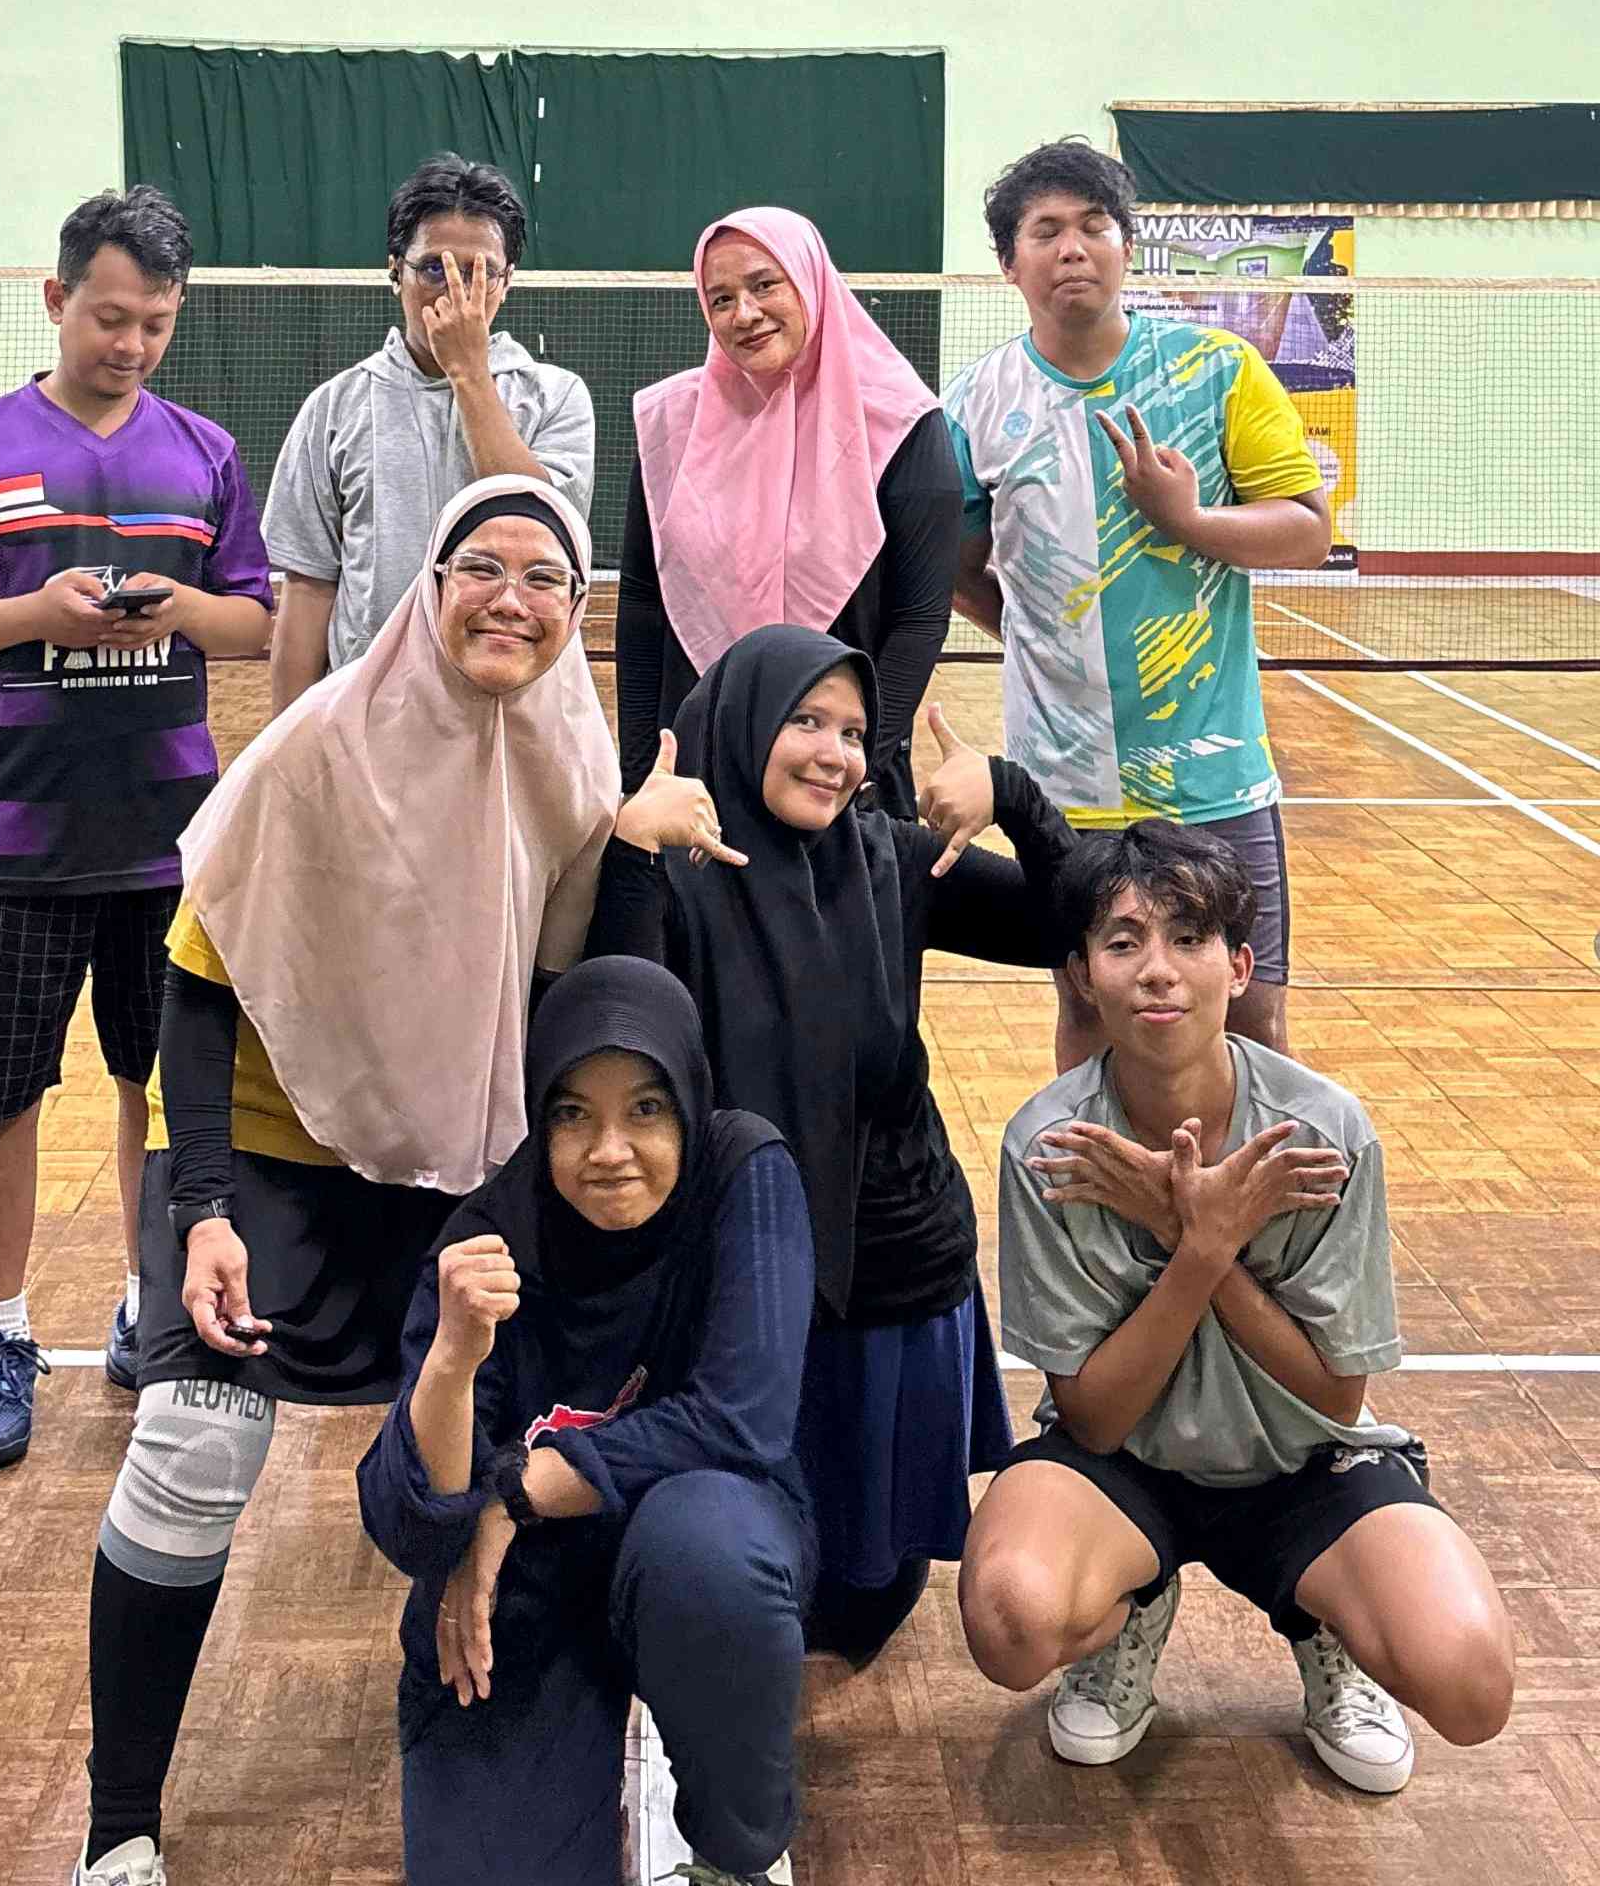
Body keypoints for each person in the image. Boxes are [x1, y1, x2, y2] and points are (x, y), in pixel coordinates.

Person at [71, 475, 622, 1886]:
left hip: (458, 1163)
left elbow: (558, 994)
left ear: (576, 610)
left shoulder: (577, 768)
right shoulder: (315, 749)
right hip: (265, 1153)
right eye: (481, 567)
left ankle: (492, 1729)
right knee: (194, 1449)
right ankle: (118, 1820)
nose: (511, 600)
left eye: (545, 578)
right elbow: (195, 990)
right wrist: (198, 1210)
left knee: (511, 1445)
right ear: (429, 588)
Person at [962, 820, 1514, 1793]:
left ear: (1240, 965)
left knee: (1472, 1685)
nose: (1159, 969)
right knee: (1011, 1621)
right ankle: (1133, 1606)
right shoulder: (1051, 1146)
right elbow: (1094, 1418)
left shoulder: (1322, 1133)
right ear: (1083, 976)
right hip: (1124, 1465)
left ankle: (1325, 1623)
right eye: (1124, 942)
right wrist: (1202, 1248)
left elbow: (1336, 1397)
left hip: (1305, 1464)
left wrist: (1194, 1237)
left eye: (1190, 938)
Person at [0, 186, 275, 1469]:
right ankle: (0, 1332)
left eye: (155, 323)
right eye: (110, 317)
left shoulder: (205, 453)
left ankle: (150, 1303)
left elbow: (253, 622)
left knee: (162, 1094)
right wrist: (33, 613)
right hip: (9, 848)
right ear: (56, 301)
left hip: (168, 847)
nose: (132, 344)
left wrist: (177, 609)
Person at [588, 624, 1077, 1665]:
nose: (834, 754)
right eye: (806, 721)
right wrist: (632, 854)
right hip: (739, 1262)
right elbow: (620, 1035)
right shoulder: (679, 869)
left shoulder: (891, 857)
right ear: (743, 722)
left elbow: (1065, 924)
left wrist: (1014, 795)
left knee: (866, 1596)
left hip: (898, 1262)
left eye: (854, 733)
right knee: (730, 1572)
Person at [359, 956, 815, 1886]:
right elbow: (410, 1525)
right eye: (573, 1115)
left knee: (707, 1555)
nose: (610, 1150)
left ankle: (734, 1854)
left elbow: (743, 1420)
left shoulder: (742, 1170)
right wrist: (450, 1364)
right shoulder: (490, 1235)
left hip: (703, 1540)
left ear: (690, 1101)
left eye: (645, 1109)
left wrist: (511, 1493)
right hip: (534, 1585)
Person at [942, 140, 1333, 1069]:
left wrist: (1186, 519)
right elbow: (959, 564)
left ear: (1127, 245)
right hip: (1064, 784)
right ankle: (1098, 1173)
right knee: (1091, 1016)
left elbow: (1307, 530)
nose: (1072, 247)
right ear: (1010, 263)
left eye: (1094, 225)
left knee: (1251, 1023)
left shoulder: (1220, 368)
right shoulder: (973, 404)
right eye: (1045, 230)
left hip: (1213, 777)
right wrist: (1040, 635)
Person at [617, 207, 961, 820]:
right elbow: (644, 603)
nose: (744, 314)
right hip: (698, 777)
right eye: (720, 299)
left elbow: (918, 618)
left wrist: (854, 764)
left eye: (764, 284)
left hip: (841, 789)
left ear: (809, 280)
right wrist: (641, 772)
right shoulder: (670, 424)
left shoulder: (903, 425)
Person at [263, 152, 595, 713]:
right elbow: (310, 589)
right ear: (396, 271)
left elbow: (532, 521)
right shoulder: (335, 408)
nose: (455, 292)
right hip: (373, 710)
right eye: (433, 269)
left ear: (508, 282)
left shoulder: (557, 398)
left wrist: (468, 372)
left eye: (479, 272)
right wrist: (291, 738)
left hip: (513, 710)